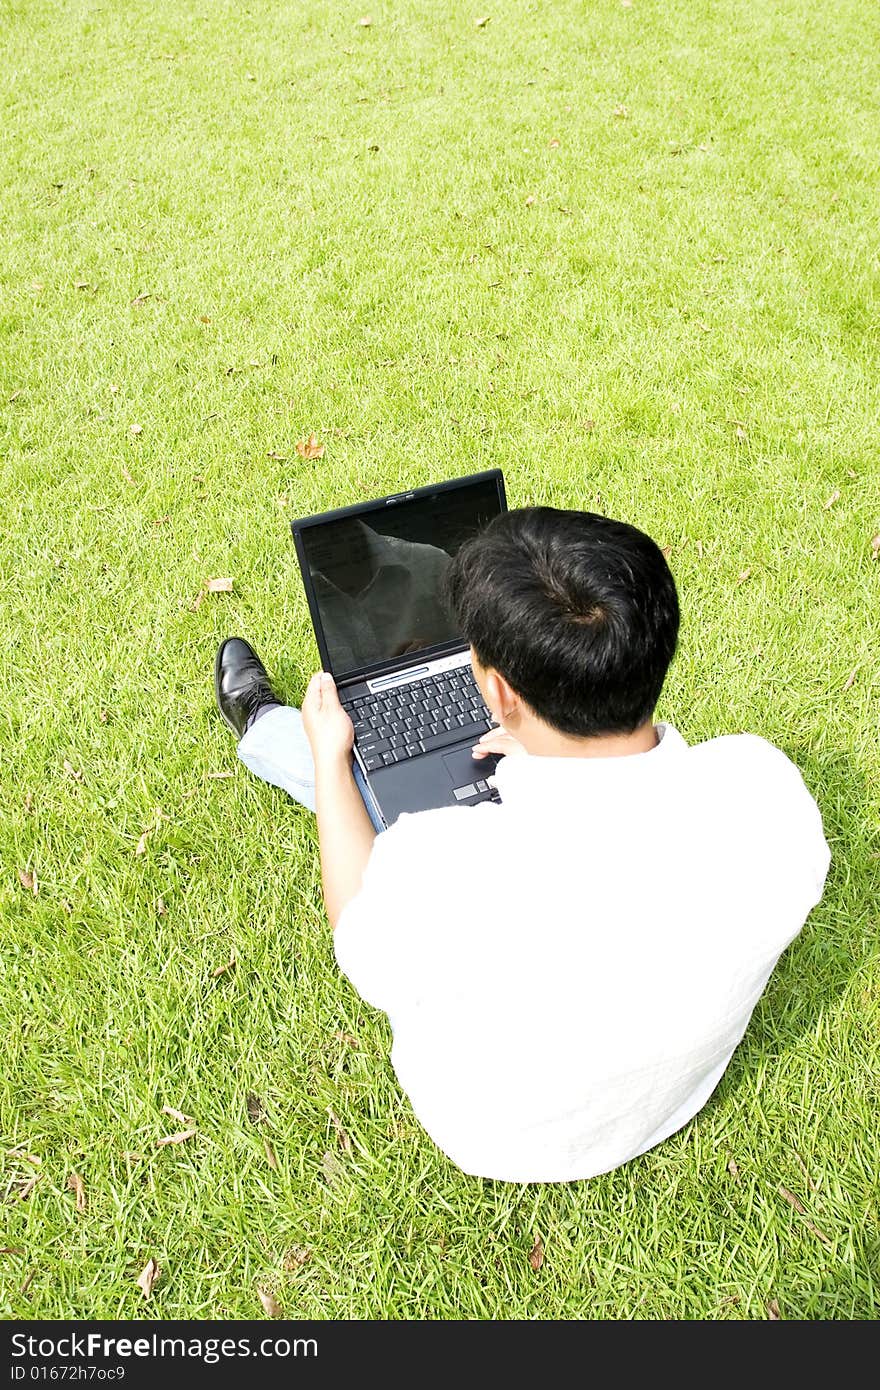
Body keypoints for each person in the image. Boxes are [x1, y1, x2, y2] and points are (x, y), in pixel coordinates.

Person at [214, 507, 830, 1183]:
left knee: (343, 772)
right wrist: (545, 747)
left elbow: (355, 933)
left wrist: (333, 761)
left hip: (499, 1138)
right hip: (678, 1096)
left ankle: (267, 725)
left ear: (499, 691)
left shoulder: (441, 865)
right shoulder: (765, 787)